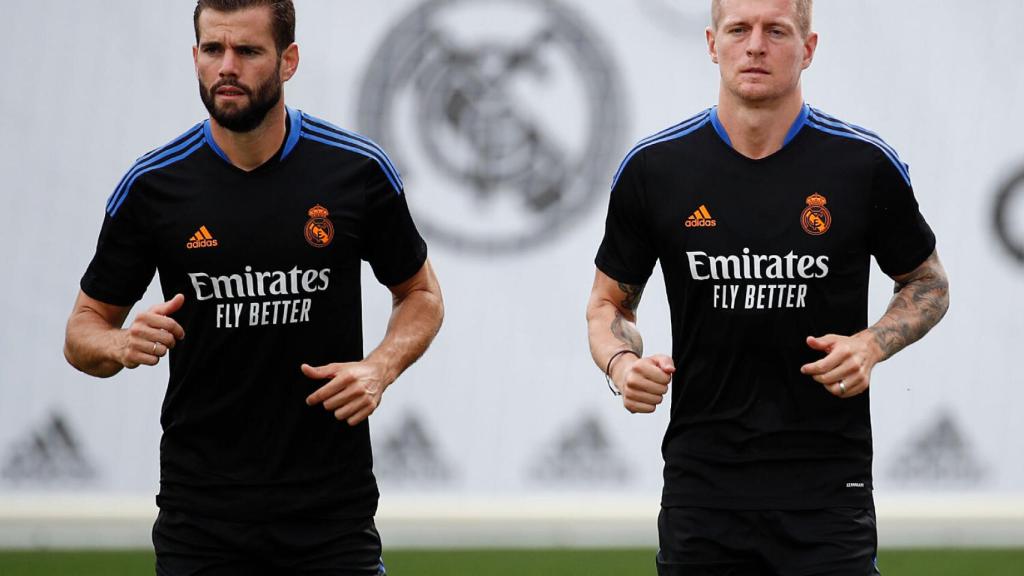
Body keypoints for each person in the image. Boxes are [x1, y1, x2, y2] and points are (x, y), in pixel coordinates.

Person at [63, 1, 444, 573]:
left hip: (332, 521)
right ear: (194, 57)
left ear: (288, 61)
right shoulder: (154, 186)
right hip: (202, 523)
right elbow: (81, 332)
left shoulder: (356, 171)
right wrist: (118, 344)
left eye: (247, 50)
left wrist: (380, 367)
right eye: (213, 49)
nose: (227, 66)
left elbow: (422, 295)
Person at [586, 0, 949, 574]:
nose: (755, 45)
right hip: (702, 488)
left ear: (808, 49)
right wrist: (622, 366)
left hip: (828, 489)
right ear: (712, 44)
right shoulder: (654, 170)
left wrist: (872, 345)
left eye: (776, 30)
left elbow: (928, 284)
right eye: (739, 29)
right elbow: (608, 304)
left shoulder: (862, 165)